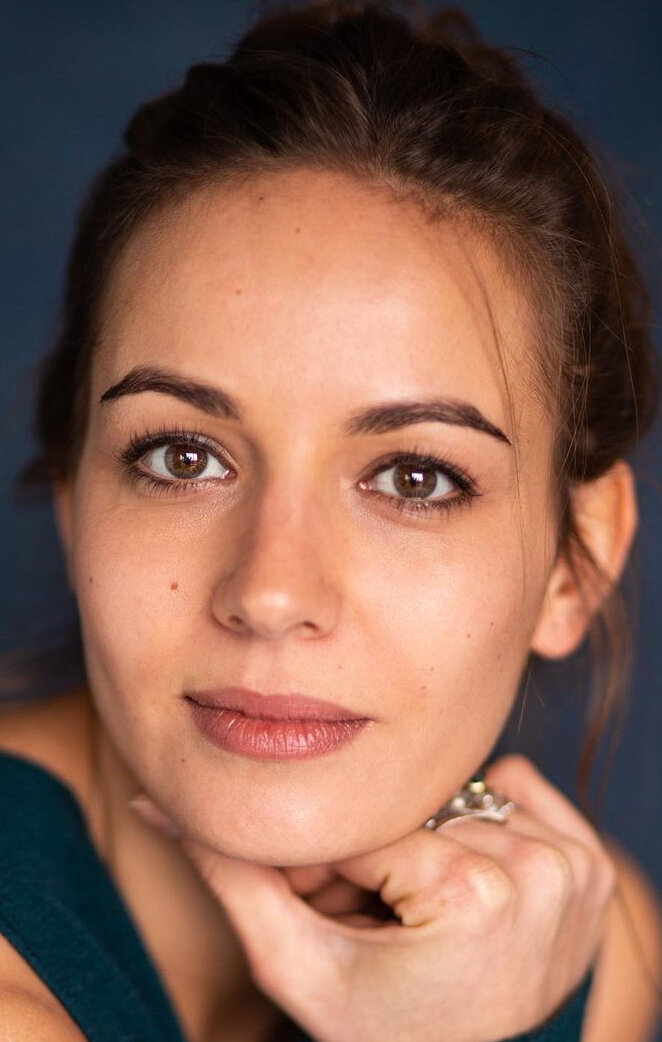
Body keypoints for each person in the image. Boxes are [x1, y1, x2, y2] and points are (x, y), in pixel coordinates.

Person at [0, 1, 661, 1039]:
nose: (271, 592)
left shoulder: (568, 928)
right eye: (182, 457)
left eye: (412, 478)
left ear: (573, 568)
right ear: (76, 504)